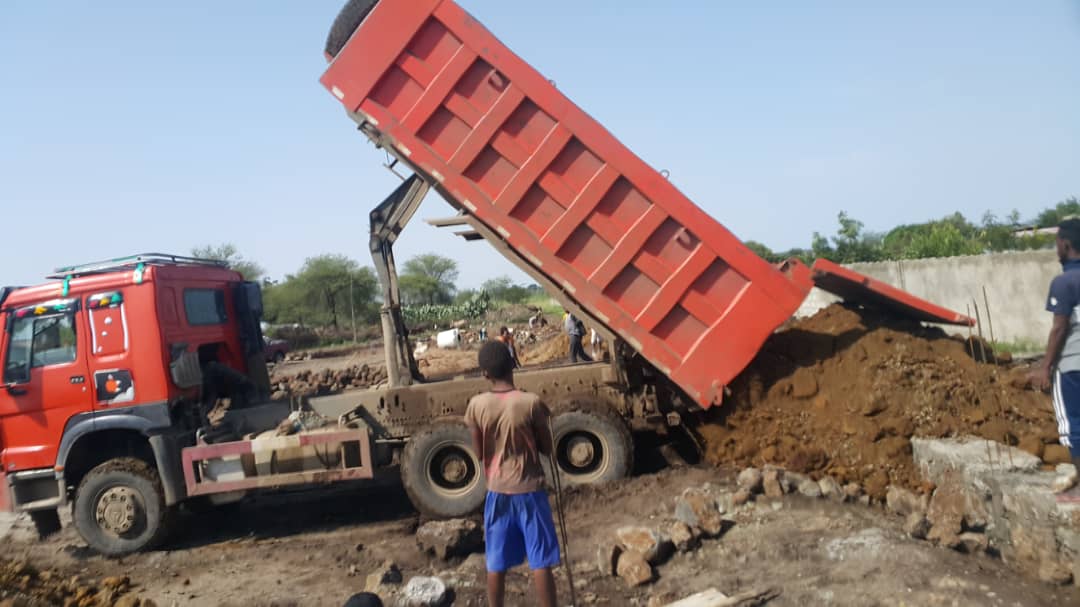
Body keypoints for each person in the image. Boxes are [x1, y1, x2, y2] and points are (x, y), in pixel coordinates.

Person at [464, 341, 559, 607]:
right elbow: (547, 448)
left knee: (495, 561)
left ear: (485, 373)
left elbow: (478, 453)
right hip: (530, 490)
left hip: (497, 491)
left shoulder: (476, 405)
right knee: (540, 559)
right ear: (512, 365)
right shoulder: (530, 402)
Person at [1031, 218, 1080, 503]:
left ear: (1066, 244)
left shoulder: (1064, 283)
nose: (1056, 247)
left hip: (1072, 365)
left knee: (1073, 424)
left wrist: (1046, 367)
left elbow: (1059, 328)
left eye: (1057, 242)